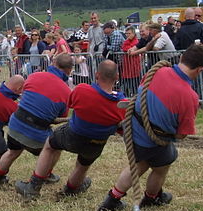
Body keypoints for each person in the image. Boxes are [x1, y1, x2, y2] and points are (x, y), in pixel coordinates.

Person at [97, 44, 203, 211]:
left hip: (131, 128)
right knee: (160, 164)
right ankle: (148, 198)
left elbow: (141, 94)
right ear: (200, 70)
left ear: (181, 58)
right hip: (150, 140)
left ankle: (114, 199)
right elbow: (181, 135)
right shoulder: (190, 96)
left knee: (142, 163)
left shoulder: (158, 71)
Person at [15, 60, 125, 201]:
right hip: (97, 143)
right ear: (116, 77)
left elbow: (71, 104)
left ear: (97, 75)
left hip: (74, 135)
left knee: (50, 146)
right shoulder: (121, 105)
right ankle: (71, 189)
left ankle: (33, 186)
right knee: (83, 165)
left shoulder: (82, 89)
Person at [0, 54, 74, 188]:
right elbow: (56, 118)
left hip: (14, 126)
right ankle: (46, 174)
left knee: (12, 151)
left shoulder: (34, 76)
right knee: (55, 148)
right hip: (37, 135)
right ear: (69, 70)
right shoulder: (67, 92)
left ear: (54, 63)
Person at [120, 27, 141, 96]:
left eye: (129, 33)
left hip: (134, 69)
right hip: (127, 69)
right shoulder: (127, 41)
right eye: (126, 33)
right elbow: (124, 47)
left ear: (134, 33)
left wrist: (128, 47)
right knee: (126, 87)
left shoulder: (136, 41)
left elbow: (129, 48)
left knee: (135, 87)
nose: (127, 35)